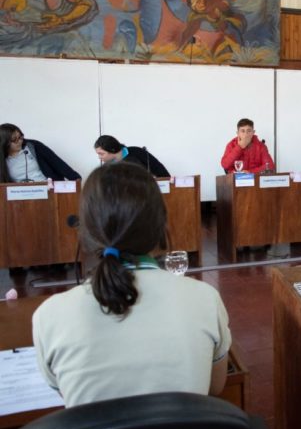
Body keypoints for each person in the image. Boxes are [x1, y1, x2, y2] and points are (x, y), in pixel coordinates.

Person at [32, 162, 231, 407]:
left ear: (86, 230)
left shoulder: (49, 316)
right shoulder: (205, 299)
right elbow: (216, 386)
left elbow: (66, 392)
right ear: (161, 226)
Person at [0, 123, 80, 183]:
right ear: (4, 142)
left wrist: (75, 178)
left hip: (47, 188)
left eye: (20, 137)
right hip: (19, 195)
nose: (20, 141)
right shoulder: (3, 158)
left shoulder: (34, 146)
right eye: (14, 140)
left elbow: (57, 162)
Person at [94, 134, 170, 178]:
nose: (100, 157)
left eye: (101, 154)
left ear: (112, 150)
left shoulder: (137, 152)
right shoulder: (106, 167)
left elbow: (159, 170)